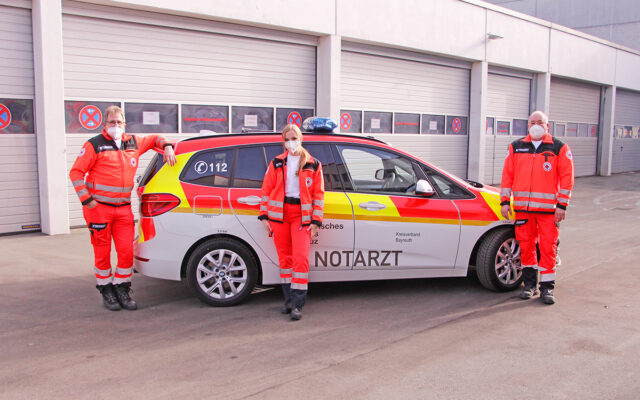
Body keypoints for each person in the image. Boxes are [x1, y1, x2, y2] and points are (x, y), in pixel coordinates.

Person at [69, 105, 176, 311]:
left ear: (124, 124)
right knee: (102, 251)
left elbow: (155, 139)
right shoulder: (94, 145)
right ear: (105, 124)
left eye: (119, 122)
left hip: (123, 209)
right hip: (98, 208)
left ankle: (122, 288)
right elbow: (76, 173)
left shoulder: (132, 142)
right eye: (112, 122)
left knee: (126, 251)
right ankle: (106, 289)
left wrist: (168, 146)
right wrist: (87, 200)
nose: (115, 126)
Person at [500, 110, 574, 305]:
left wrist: (562, 205)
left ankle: (547, 289)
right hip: (524, 210)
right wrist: (505, 201)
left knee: (548, 248)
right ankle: (529, 285)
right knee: (526, 247)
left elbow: (567, 178)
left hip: (549, 211)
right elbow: (508, 175)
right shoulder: (516, 147)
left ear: (547, 125)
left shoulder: (559, 147)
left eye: (539, 122)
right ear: (527, 125)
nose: (536, 125)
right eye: (532, 122)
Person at [258, 124, 325, 320]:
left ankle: (298, 304)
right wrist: (264, 215)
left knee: (300, 260)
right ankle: (288, 301)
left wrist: (316, 221)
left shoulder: (313, 164)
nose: (290, 142)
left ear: (300, 138)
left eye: (293, 138)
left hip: (301, 218)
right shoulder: (277, 162)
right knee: (285, 261)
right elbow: (266, 190)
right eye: (286, 139)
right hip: (279, 216)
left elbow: (318, 195)